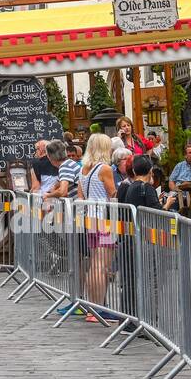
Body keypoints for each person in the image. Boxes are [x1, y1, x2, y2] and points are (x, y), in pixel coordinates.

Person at [77, 132, 118, 318]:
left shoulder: (83, 168)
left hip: (90, 218)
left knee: (94, 263)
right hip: (104, 220)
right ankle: (99, 308)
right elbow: (113, 194)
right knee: (102, 266)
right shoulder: (104, 169)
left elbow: (81, 196)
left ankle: (92, 306)